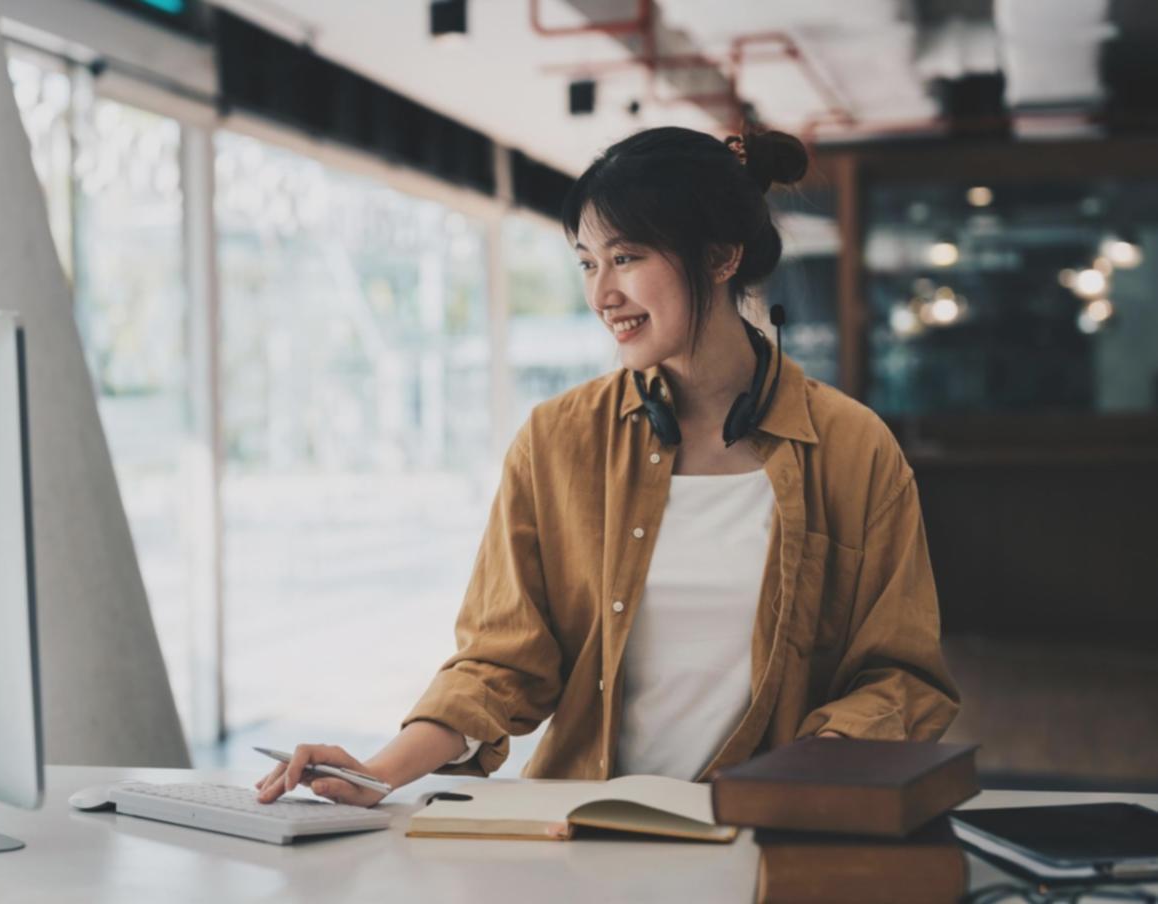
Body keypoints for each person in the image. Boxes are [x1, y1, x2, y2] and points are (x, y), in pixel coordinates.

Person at [255, 126, 960, 808]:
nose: (601, 296)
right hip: (586, 841)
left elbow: (899, 676)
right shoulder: (557, 440)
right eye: (588, 263)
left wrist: (803, 780)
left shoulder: (852, 448)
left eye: (626, 258)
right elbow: (501, 662)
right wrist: (380, 771)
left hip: (769, 837)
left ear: (720, 257)